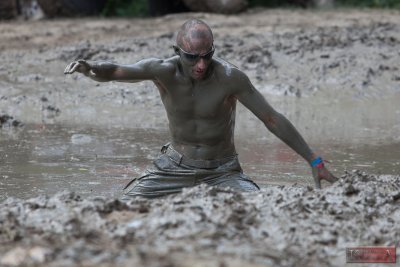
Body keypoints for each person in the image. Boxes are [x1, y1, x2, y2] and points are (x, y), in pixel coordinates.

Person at [64, 19, 337, 199]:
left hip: (223, 171)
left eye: (207, 56)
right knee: (125, 204)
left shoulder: (231, 77)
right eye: (192, 57)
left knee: (259, 205)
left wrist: (314, 160)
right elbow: (117, 71)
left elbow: (272, 118)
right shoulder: (163, 70)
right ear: (178, 51)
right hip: (171, 168)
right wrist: (90, 69)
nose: (201, 65)